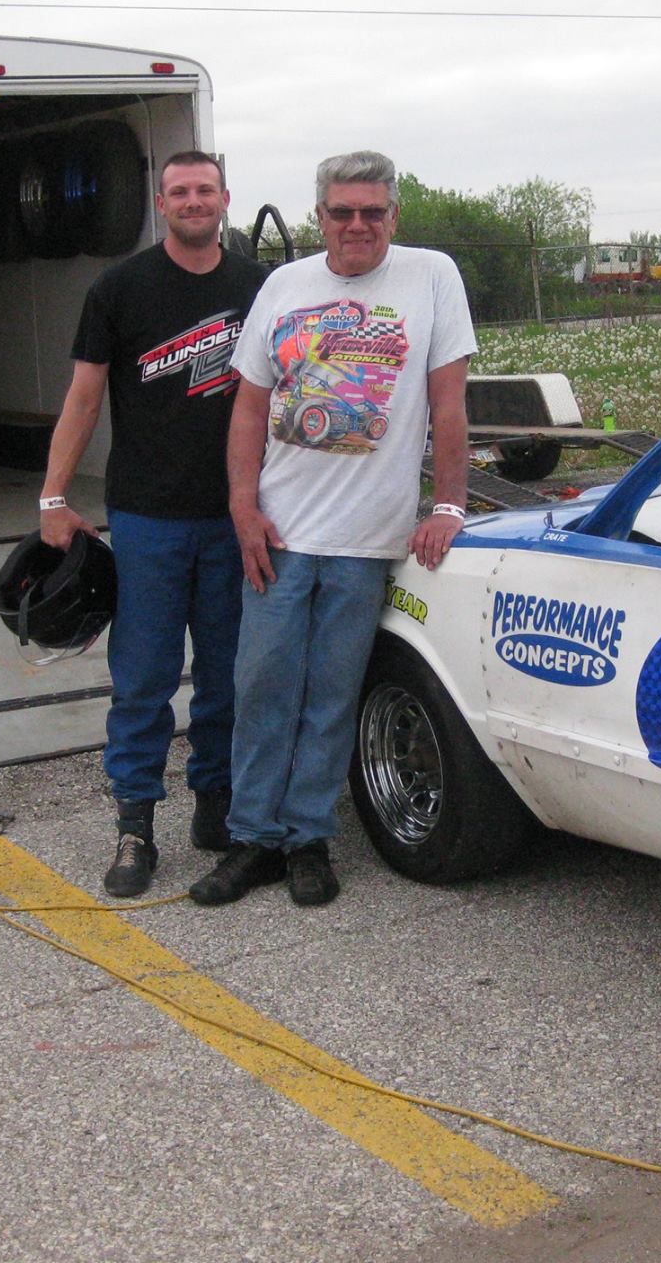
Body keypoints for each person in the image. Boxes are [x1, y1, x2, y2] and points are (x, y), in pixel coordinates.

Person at [192, 150, 475, 908]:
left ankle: (308, 839)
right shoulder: (284, 286)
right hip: (279, 536)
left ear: (393, 216)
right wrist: (242, 506)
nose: (357, 224)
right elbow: (250, 407)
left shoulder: (432, 277)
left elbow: (449, 404)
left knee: (331, 695)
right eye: (342, 212)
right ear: (319, 217)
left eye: (372, 212)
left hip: (366, 540)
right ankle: (254, 838)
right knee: (261, 687)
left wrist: (449, 505)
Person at [38, 150, 266, 897]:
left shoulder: (260, 288)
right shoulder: (119, 288)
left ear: (225, 200)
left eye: (205, 190)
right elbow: (83, 399)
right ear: (160, 204)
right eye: (179, 192)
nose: (193, 201)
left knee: (229, 675)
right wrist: (53, 497)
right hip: (146, 520)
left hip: (237, 519)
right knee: (142, 682)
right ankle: (135, 826)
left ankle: (216, 804)